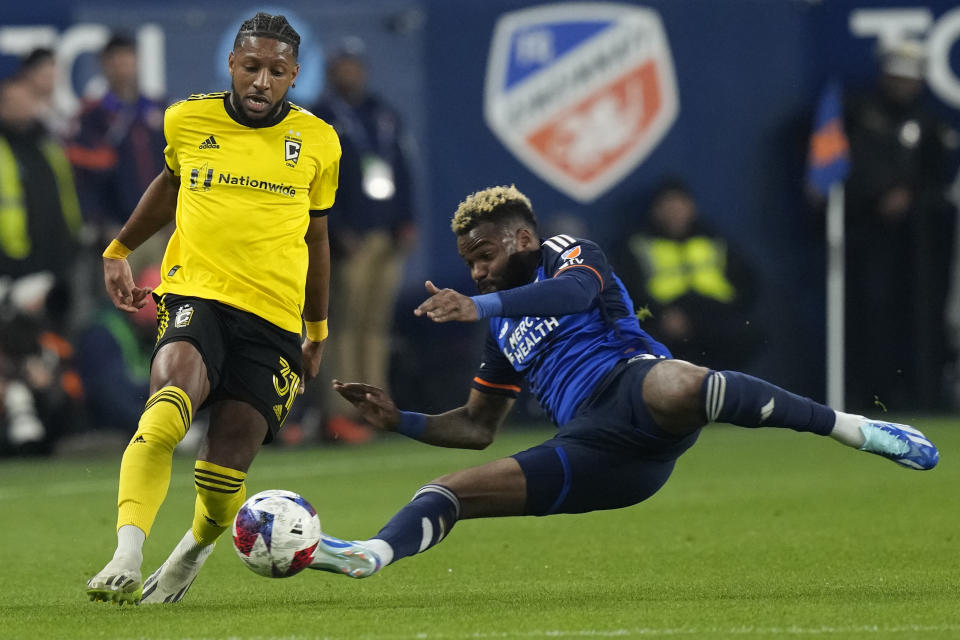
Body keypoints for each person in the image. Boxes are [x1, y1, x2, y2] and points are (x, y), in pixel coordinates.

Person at [307, 185, 939, 580]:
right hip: (596, 452)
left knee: (680, 384)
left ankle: (858, 429)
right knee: (446, 492)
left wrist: (482, 306)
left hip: (633, 390)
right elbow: (475, 427)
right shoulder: (502, 330)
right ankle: (370, 556)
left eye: (485, 256)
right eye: (470, 264)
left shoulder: (567, 253)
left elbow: (575, 292)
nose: (477, 274)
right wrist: (403, 421)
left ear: (522, 238)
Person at [85, 12, 340, 605]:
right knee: (167, 410)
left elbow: (318, 239)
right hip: (197, 293)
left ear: (294, 76)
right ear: (231, 63)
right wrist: (120, 247)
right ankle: (126, 552)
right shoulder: (187, 118)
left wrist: (318, 327)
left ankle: (191, 552)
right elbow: (169, 185)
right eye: (251, 66)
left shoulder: (320, 143)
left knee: (221, 474)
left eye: (276, 71)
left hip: (275, 318)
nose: (260, 81)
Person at [310, 37, 416, 442]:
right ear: (332, 72)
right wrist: (333, 228)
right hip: (347, 238)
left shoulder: (382, 114)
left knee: (375, 324)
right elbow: (314, 177)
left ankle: (375, 406)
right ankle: (339, 411)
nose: (350, 72)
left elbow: (403, 167)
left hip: (384, 235)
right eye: (342, 66)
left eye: (355, 65)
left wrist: (406, 219)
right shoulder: (321, 118)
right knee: (342, 324)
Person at [843, 41, 956, 411]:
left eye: (908, 79)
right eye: (895, 77)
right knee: (869, 318)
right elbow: (844, 167)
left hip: (920, 246)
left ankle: (920, 393)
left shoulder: (929, 124)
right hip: (867, 239)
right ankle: (870, 395)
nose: (901, 86)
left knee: (921, 319)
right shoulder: (856, 113)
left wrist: (910, 196)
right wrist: (879, 194)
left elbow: (939, 180)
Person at [614, 179, 763, 371]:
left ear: (692, 207)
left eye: (680, 205)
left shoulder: (714, 240)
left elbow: (748, 284)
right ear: (655, 211)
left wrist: (733, 312)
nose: (675, 213)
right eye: (667, 206)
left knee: (747, 333)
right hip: (667, 320)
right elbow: (628, 292)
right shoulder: (638, 245)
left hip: (716, 316)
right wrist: (662, 315)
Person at [66, 34, 166, 241]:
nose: (122, 67)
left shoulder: (157, 109)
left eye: (127, 59)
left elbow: (176, 166)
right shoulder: (93, 116)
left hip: (160, 227)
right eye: (115, 61)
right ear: (104, 66)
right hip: (116, 228)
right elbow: (84, 177)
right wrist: (98, 222)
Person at [0, 75, 83, 281]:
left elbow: (64, 193)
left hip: (58, 254)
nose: (22, 106)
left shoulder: (47, 144)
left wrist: (74, 235)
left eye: (26, 99)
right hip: (13, 260)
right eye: (13, 101)